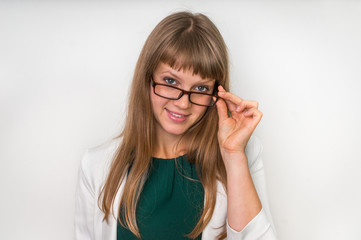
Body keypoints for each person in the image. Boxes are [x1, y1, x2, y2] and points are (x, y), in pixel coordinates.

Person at [75, 11, 277, 240]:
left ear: (217, 94)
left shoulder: (243, 155)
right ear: (147, 79)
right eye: (171, 81)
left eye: (200, 88)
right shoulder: (96, 165)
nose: (182, 103)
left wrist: (234, 156)